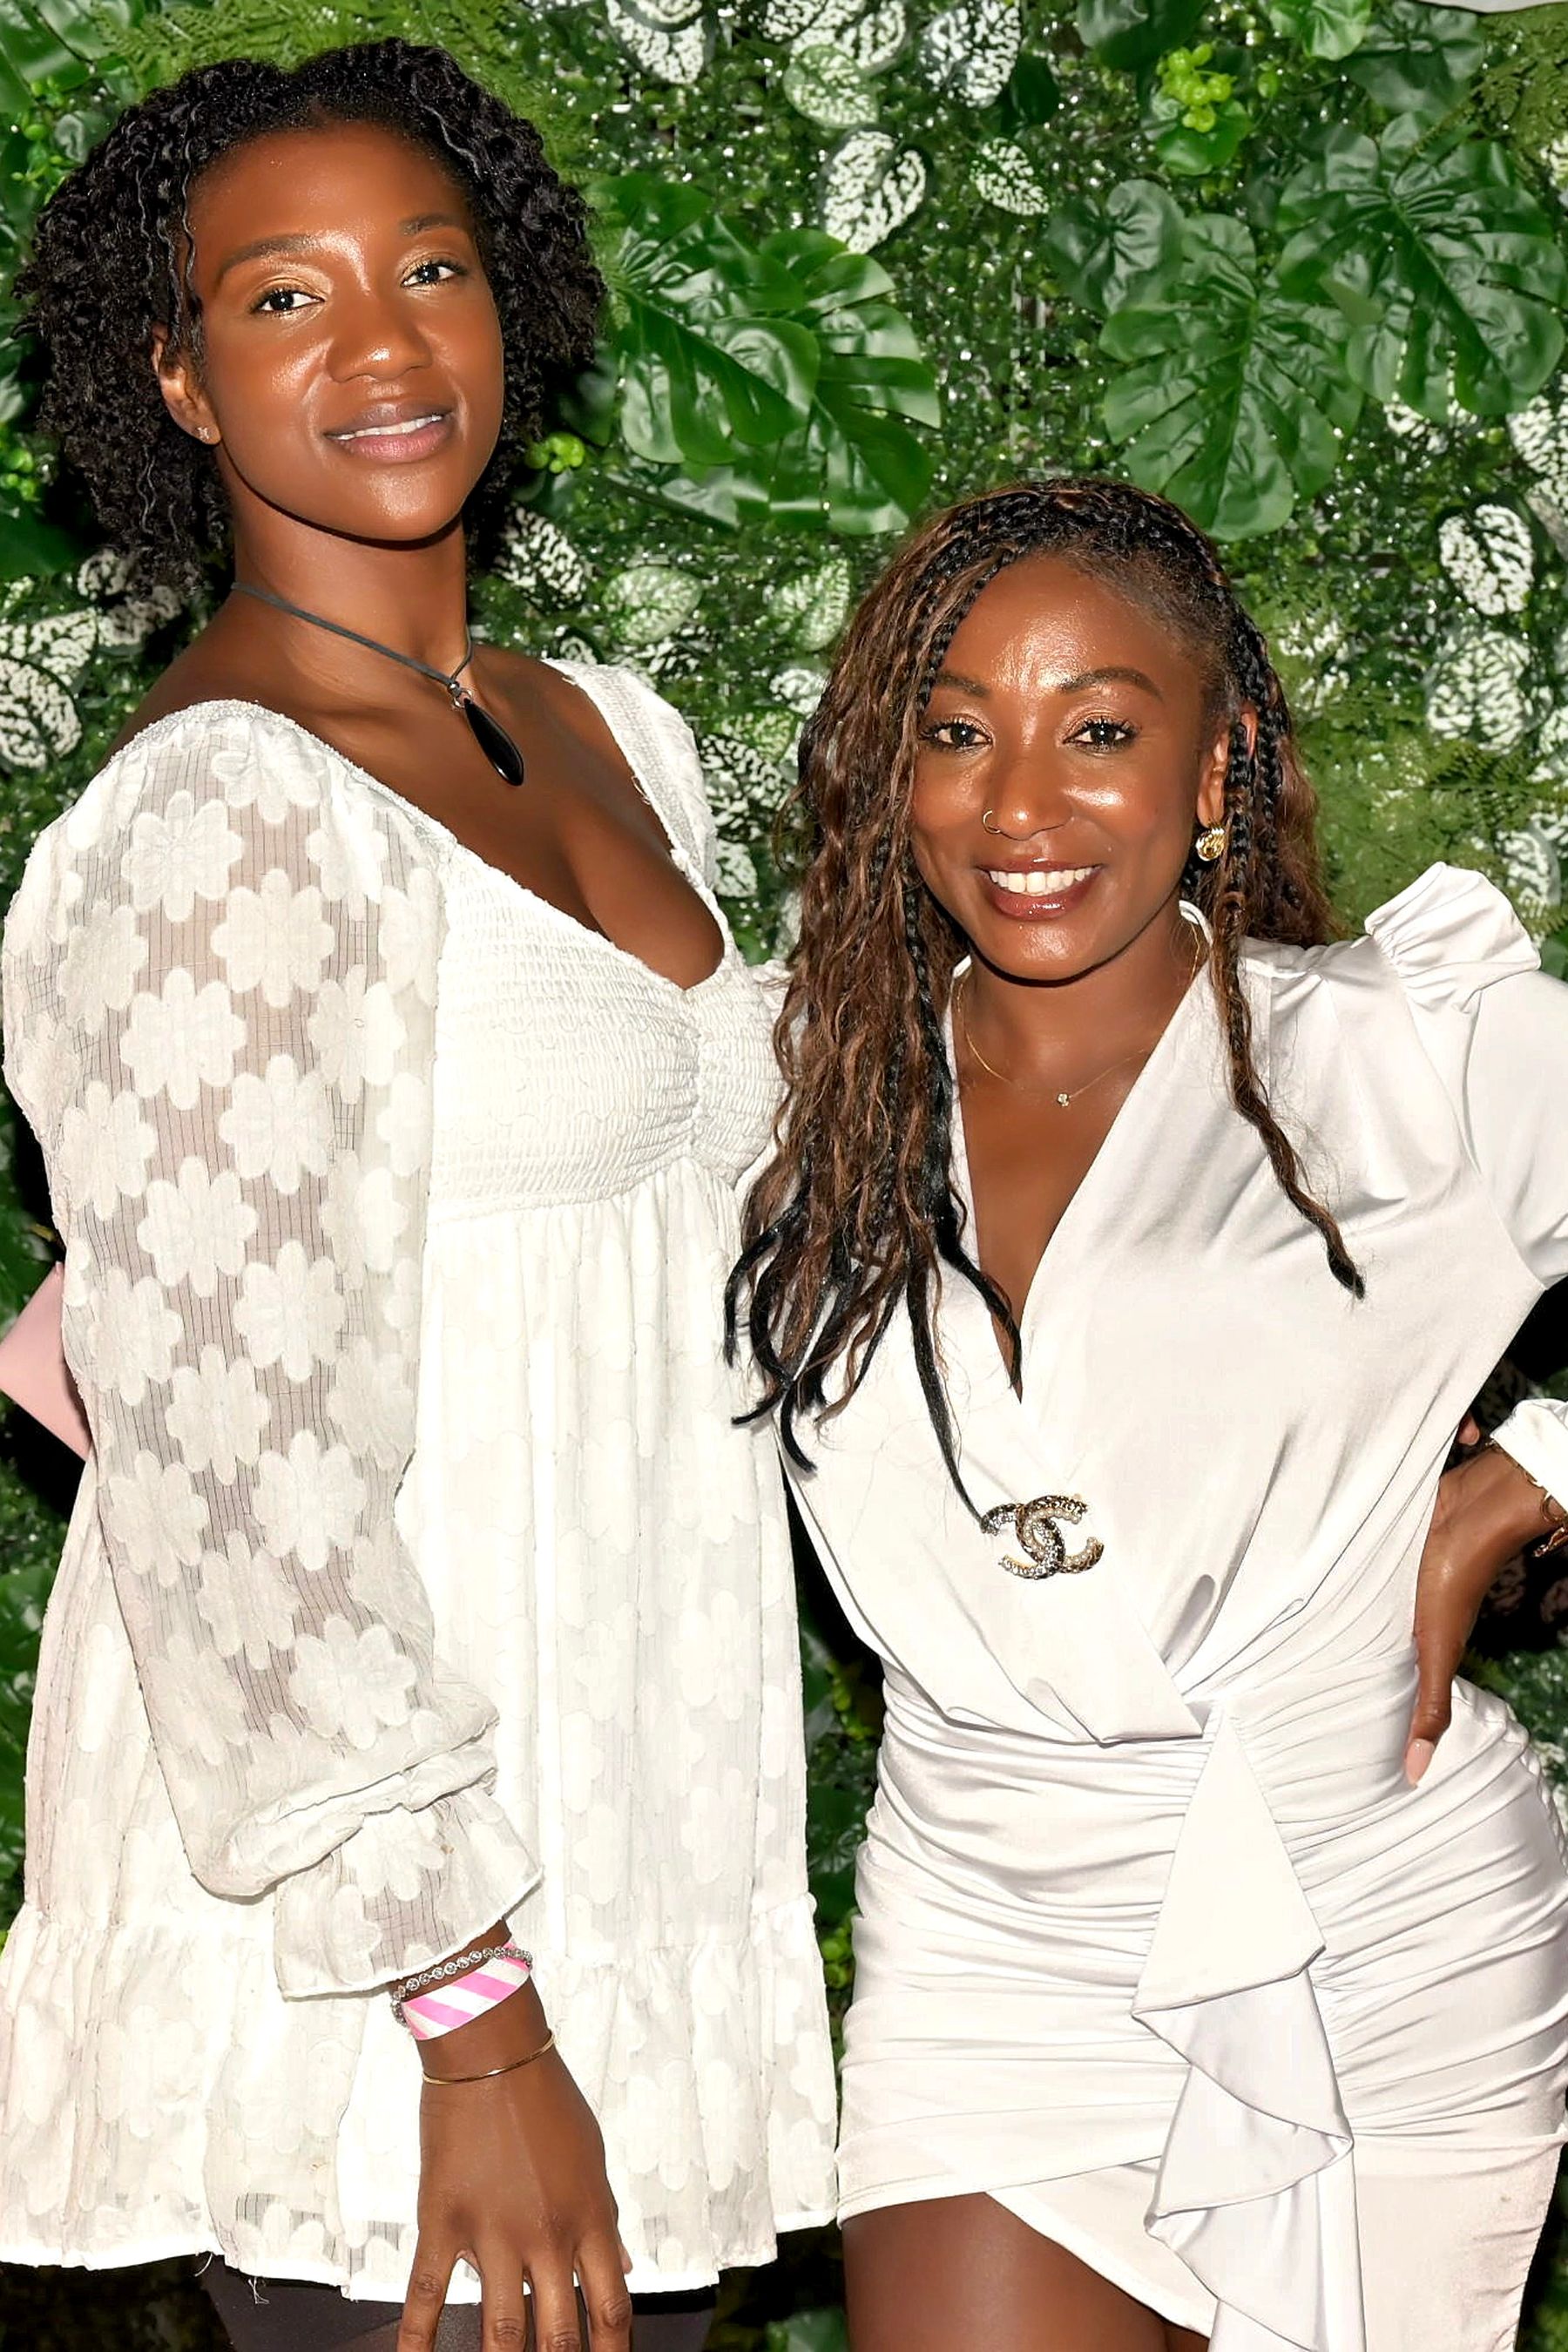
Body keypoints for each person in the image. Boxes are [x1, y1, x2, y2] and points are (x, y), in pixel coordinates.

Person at [0, 41, 835, 2352]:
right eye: (284, 297)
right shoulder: (217, 818)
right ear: (177, 378)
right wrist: (473, 2021)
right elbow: (234, 1476)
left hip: (632, 1849)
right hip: (399, 1973)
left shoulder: (608, 731)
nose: (381, 344)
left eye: (431, 269)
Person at [729, 477, 1568, 2351]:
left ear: (1217, 769)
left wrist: (1532, 1475)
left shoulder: (1408, 1056)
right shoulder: (784, 1094)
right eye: (959, 735)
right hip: (992, 1941)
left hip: (1382, 1925)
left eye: (1099, 732)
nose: (1020, 809)